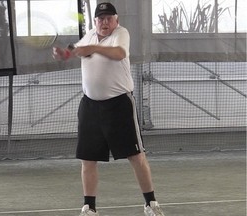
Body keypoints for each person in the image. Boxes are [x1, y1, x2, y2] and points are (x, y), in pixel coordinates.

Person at [52, 2, 165, 216]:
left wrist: (92, 48)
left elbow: (119, 53)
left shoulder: (121, 34)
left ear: (116, 20)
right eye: (101, 18)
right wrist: (63, 54)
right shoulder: (89, 36)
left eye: (108, 18)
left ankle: (150, 203)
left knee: (136, 155)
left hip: (119, 105)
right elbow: (74, 50)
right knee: (88, 159)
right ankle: (89, 207)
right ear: (95, 21)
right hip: (90, 106)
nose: (105, 22)